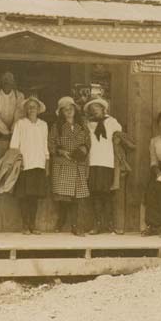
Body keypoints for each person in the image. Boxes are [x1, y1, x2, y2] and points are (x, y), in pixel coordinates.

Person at [48, 96, 90, 236]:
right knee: (64, 197)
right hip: (63, 164)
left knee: (79, 198)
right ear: (61, 112)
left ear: (75, 110)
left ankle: (77, 226)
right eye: (65, 110)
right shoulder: (57, 127)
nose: (69, 111)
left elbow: (88, 142)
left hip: (78, 164)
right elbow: (51, 144)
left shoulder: (82, 125)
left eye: (70, 108)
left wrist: (84, 149)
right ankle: (61, 221)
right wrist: (60, 151)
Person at [10, 96, 49, 235]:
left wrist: (46, 162)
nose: (32, 109)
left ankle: (33, 225)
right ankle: (25, 225)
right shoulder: (20, 124)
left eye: (34, 107)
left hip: (38, 164)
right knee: (24, 196)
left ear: (39, 109)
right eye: (29, 107)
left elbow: (45, 145)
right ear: (26, 109)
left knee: (34, 197)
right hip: (25, 164)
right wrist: (18, 161)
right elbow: (14, 145)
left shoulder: (43, 125)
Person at [84, 97, 122, 234]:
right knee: (95, 194)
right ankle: (97, 224)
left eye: (97, 108)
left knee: (108, 193)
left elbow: (119, 134)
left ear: (103, 109)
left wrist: (117, 138)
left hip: (107, 161)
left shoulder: (112, 122)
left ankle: (110, 224)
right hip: (93, 161)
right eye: (92, 109)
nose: (95, 111)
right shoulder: (88, 124)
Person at [0, 72, 25, 136]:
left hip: (15, 131)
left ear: (13, 82)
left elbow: (19, 116)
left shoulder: (19, 96)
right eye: (5, 80)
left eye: (10, 80)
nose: (7, 82)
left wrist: (13, 131)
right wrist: (6, 132)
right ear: (1, 82)